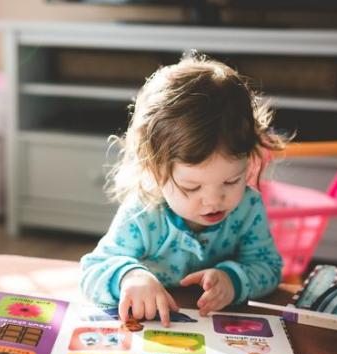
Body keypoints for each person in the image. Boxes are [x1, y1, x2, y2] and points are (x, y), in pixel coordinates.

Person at [79, 53, 286, 327]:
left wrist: (232, 280)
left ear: (250, 159)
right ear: (155, 172)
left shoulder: (247, 208)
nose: (214, 200)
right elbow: (93, 269)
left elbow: (269, 268)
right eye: (192, 187)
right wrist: (130, 277)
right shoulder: (144, 211)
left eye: (231, 181)